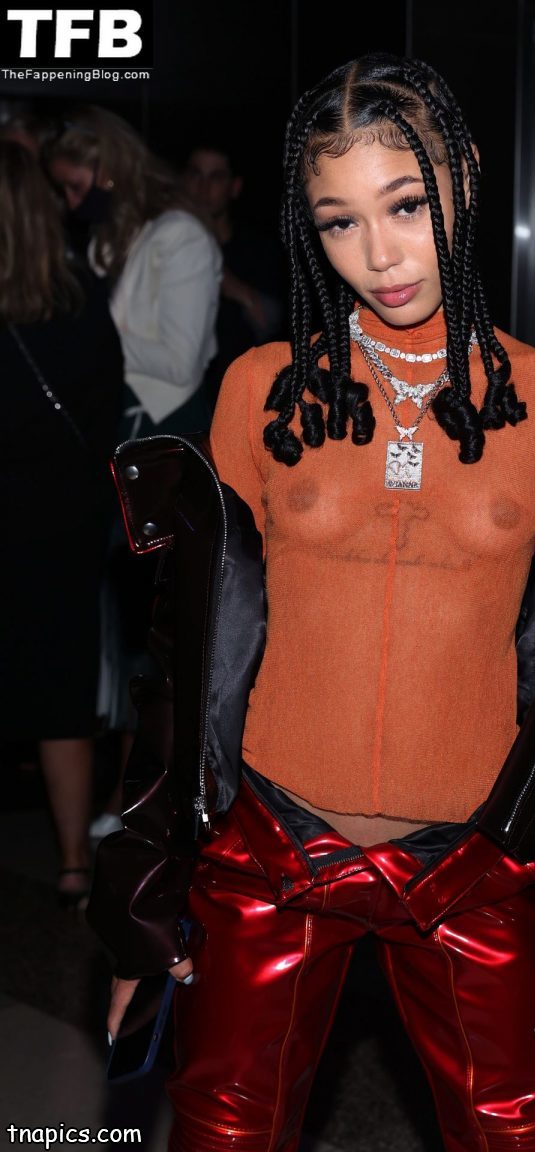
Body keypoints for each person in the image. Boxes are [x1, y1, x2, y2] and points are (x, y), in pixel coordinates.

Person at [87, 53, 535, 1151]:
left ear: (464, 176)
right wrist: (142, 895)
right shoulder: (260, 388)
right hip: (271, 846)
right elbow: (191, 657)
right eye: (339, 222)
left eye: (406, 205)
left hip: (472, 863)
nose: (378, 255)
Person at [43, 106, 223, 839]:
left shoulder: (180, 236)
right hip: (118, 441)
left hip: (160, 448)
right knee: (124, 635)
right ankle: (129, 807)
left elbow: (179, 362)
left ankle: (142, 809)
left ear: (110, 168)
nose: (71, 200)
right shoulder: (114, 237)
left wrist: (92, 324)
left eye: (77, 183)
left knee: (155, 639)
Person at [0, 140, 123, 908]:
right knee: (61, 695)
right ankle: (75, 862)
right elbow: (106, 410)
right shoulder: (80, 297)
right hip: (63, 522)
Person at [181, 137, 288, 409]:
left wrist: (227, 282)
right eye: (195, 174)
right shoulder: (165, 248)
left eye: (215, 177)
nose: (203, 187)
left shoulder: (259, 250)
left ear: (234, 187)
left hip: (241, 399)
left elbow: (274, 326)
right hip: (178, 398)